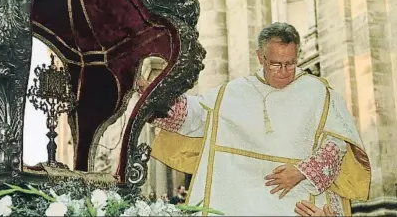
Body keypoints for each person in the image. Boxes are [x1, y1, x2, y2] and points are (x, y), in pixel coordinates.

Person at [139, 22, 371, 216]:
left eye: (291, 63)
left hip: (301, 200)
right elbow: (193, 114)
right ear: (260, 58)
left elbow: (337, 144)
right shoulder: (235, 92)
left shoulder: (320, 92)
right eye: (276, 64)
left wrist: (303, 171)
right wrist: (156, 97)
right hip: (246, 203)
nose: (284, 71)